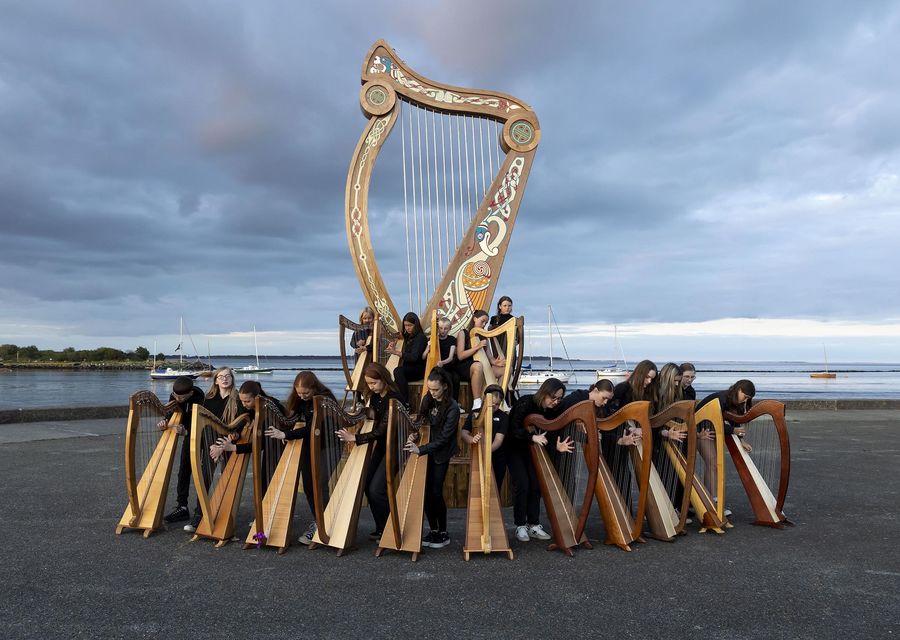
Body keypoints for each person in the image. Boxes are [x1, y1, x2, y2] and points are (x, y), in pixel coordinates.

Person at [263, 371, 336, 545]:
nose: (302, 396)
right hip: (307, 445)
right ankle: (318, 520)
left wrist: (286, 434)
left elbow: (311, 428)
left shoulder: (325, 399)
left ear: (314, 388)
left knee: (319, 484)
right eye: (299, 392)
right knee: (310, 487)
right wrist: (284, 429)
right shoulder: (299, 400)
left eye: (306, 393)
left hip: (327, 445)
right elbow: (292, 419)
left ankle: (324, 523)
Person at [335, 362, 402, 540]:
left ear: (384, 379)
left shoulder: (394, 399)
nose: (371, 387)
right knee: (366, 484)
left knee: (376, 490)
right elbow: (370, 414)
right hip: (381, 446)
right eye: (369, 383)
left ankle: (390, 528)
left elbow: (381, 430)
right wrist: (355, 413)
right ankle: (382, 527)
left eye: (374, 383)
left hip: (395, 448)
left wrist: (355, 438)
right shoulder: (376, 396)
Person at [183, 367, 249, 532]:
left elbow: (239, 425)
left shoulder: (238, 399)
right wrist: (213, 445)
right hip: (210, 444)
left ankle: (226, 517)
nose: (225, 379)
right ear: (216, 380)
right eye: (221, 377)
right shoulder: (209, 399)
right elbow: (203, 423)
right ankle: (199, 515)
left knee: (227, 481)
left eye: (228, 376)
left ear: (232, 379)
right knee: (204, 478)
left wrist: (222, 445)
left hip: (228, 443)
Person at [506, 377, 572, 543]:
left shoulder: (551, 411)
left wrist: (556, 447)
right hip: (514, 448)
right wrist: (531, 437)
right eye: (553, 397)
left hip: (533, 450)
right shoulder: (526, 402)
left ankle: (533, 524)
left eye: (559, 399)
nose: (556, 402)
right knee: (522, 483)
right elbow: (513, 429)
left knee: (536, 484)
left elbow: (548, 435)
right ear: (544, 393)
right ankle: (520, 525)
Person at [404, 367, 460, 549]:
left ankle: (443, 532)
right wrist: (414, 434)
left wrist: (421, 450)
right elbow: (420, 422)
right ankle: (433, 529)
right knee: (426, 492)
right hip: (427, 447)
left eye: (436, 389)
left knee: (436, 492)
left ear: (444, 386)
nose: (432, 393)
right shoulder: (428, 399)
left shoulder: (452, 408)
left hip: (441, 452)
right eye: (430, 389)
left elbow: (445, 439)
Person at [696, 379, 756, 516]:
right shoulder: (721, 399)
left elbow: (735, 422)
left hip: (712, 430)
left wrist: (741, 440)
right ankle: (711, 502)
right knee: (712, 463)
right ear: (739, 390)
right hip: (700, 430)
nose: (745, 401)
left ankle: (711, 499)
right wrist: (733, 431)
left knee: (715, 465)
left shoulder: (736, 401)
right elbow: (716, 422)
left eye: (749, 399)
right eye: (745, 397)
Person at [162, 376, 206, 525]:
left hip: (202, 435)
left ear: (190, 393)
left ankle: (201, 510)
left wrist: (186, 432)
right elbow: (170, 410)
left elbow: (201, 425)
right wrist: (165, 421)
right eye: (176, 396)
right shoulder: (175, 395)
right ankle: (182, 507)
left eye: (182, 397)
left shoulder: (199, 399)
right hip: (187, 433)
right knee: (183, 471)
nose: (178, 399)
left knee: (201, 472)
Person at [461, 384, 509, 493]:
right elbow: (464, 433)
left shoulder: (504, 417)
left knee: (495, 489)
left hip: (497, 457)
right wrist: (471, 440)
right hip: (479, 456)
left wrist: (487, 451)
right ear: (485, 400)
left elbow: (498, 440)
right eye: (491, 403)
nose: (494, 406)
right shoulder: (475, 413)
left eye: (497, 404)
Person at [452, 310, 501, 411]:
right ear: (475, 319)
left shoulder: (484, 337)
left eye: (486, 323)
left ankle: (499, 399)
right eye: (482, 321)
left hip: (479, 366)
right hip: (463, 366)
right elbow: (460, 356)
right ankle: (477, 402)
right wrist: (477, 347)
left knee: (504, 370)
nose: (483, 325)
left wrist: (497, 362)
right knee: (478, 366)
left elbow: (490, 358)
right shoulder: (463, 333)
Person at [388, 312, 427, 404]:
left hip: (418, 370)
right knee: (395, 377)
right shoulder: (410, 336)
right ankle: (397, 402)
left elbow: (414, 357)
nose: (407, 328)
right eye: (405, 325)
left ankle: (405, 402)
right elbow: (401, 336)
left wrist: (396, 352)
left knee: (398, 371)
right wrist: (394, 342)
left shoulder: (420, 338)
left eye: (410, 325)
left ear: (416, 325)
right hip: (409, 369)